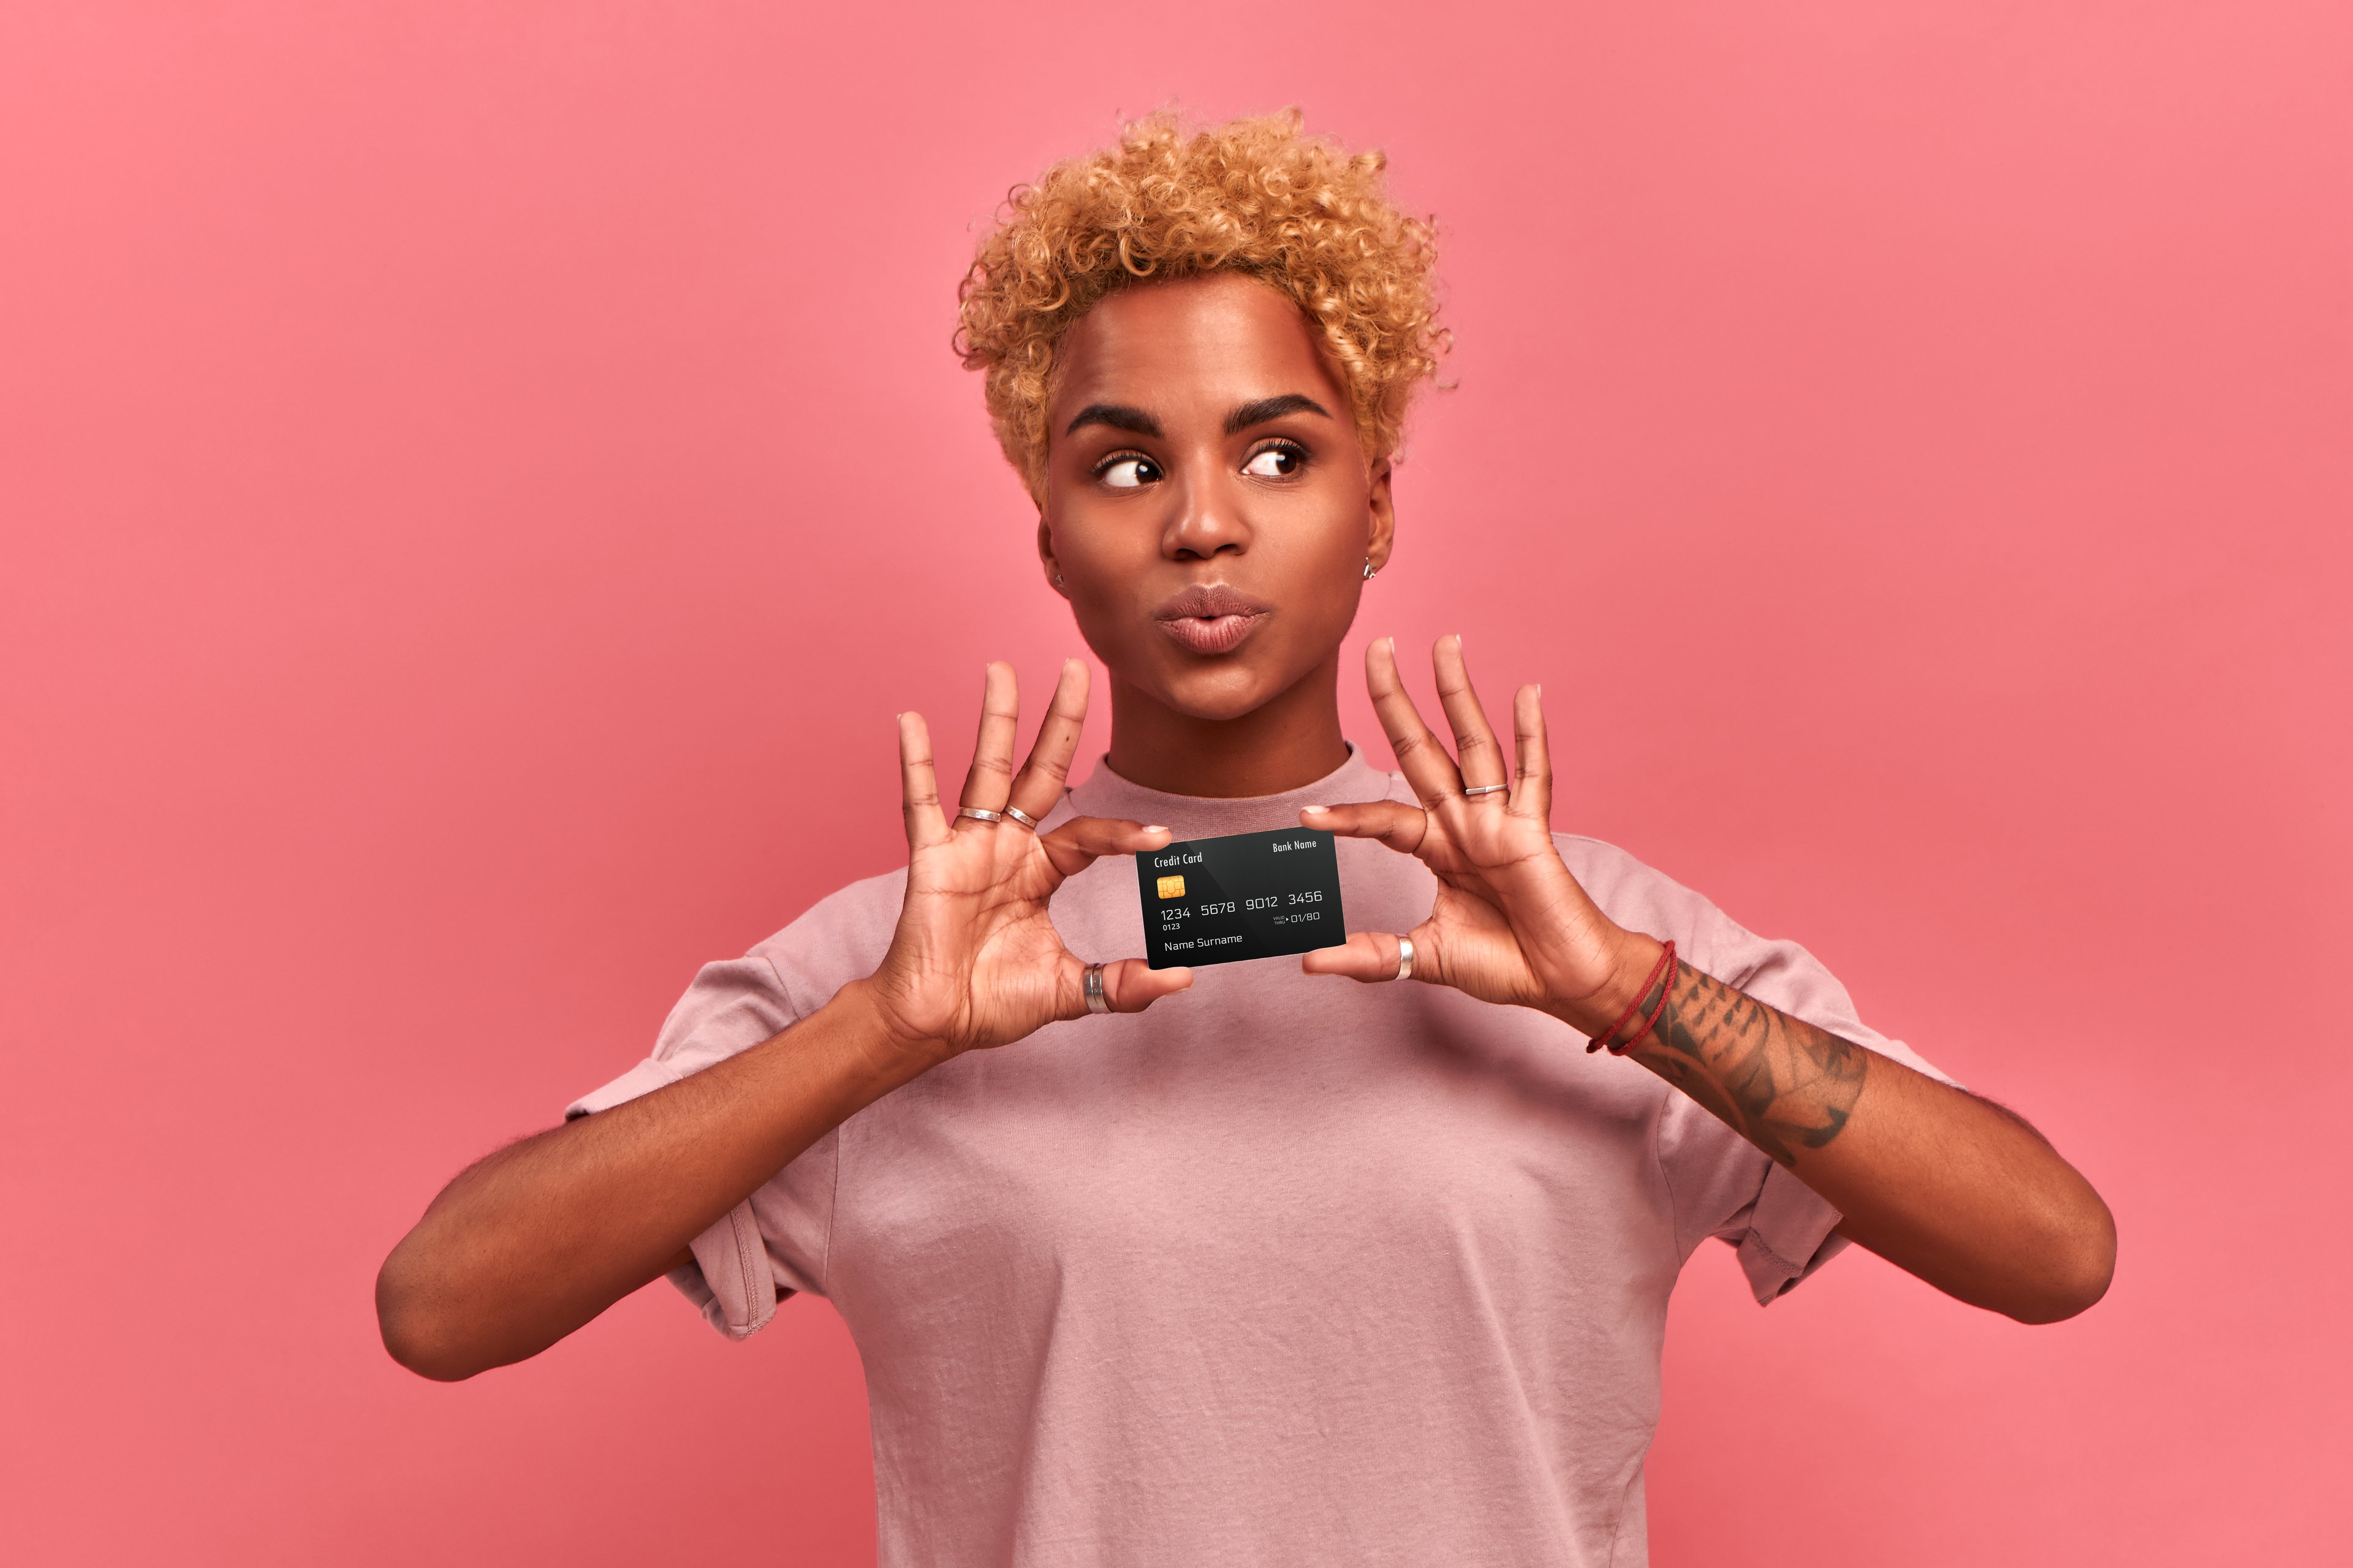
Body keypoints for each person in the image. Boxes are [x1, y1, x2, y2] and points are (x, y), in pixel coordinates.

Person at [377, 110, 2114, 1566]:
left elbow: (2054, 1250)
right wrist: (880, 1037)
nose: (1205, 522)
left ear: (1377, 508)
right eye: (1125, 467)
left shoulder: (1585, 932)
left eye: (1278, 455)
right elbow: (441, 1307)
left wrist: (1630, 992)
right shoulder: (905, 967)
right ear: (1050, 534)